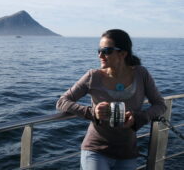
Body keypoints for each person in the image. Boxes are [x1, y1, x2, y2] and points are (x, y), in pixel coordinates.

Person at [56, 29, 167, 170]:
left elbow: (160, 105)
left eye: (107, 50)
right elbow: (62, 101)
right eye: (99, 50)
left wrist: (139, 118)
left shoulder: (141, 74)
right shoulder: (93, 76)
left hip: (127, 152)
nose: (100, 55)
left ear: (123, 53)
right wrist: (93, 112)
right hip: (96, 149)